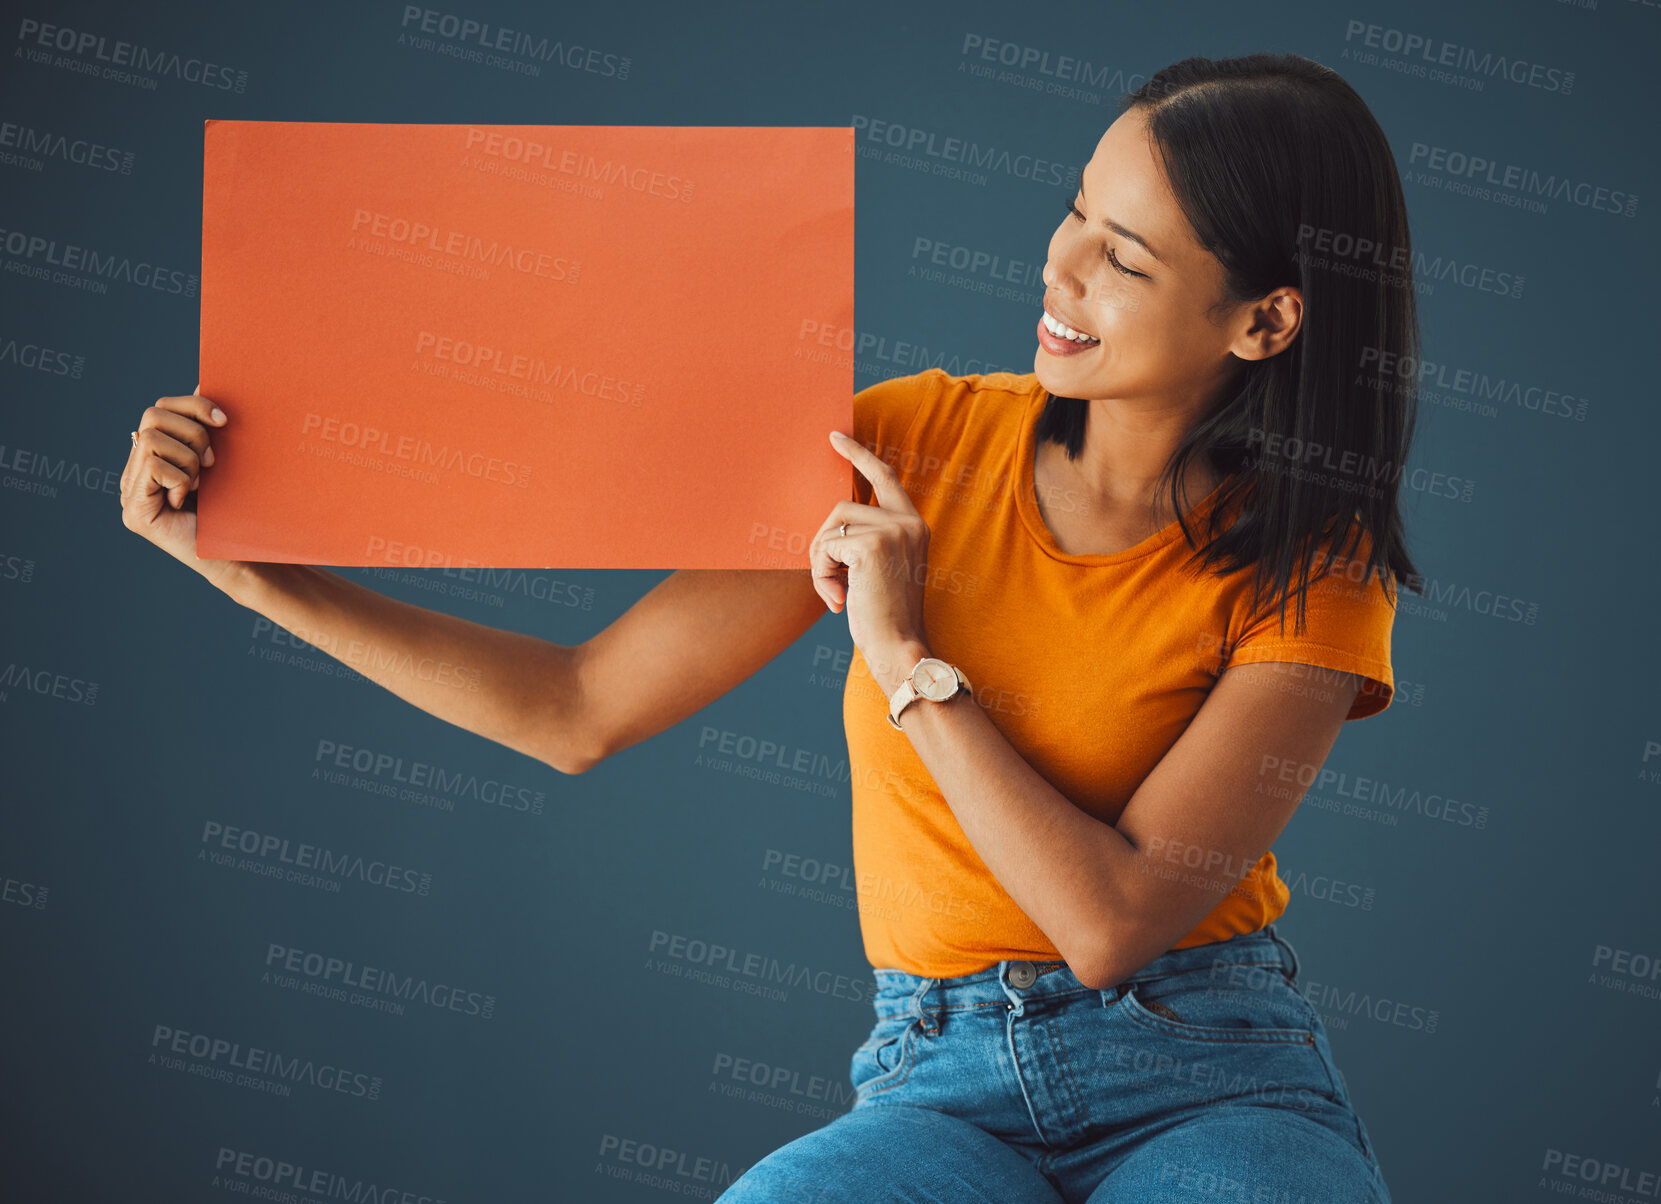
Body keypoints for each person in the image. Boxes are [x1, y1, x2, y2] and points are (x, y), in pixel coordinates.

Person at [121, 51, 1416, 1204]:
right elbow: (579, 708)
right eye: (1078, 207)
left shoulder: (1317, 559)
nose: (1060, 267)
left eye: (1125, 258)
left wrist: (907, 661)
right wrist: (250, 572)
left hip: (1206, 1065)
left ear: (1264, 320)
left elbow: (1111, 922)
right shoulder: (902, 441)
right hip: (936, 1071)